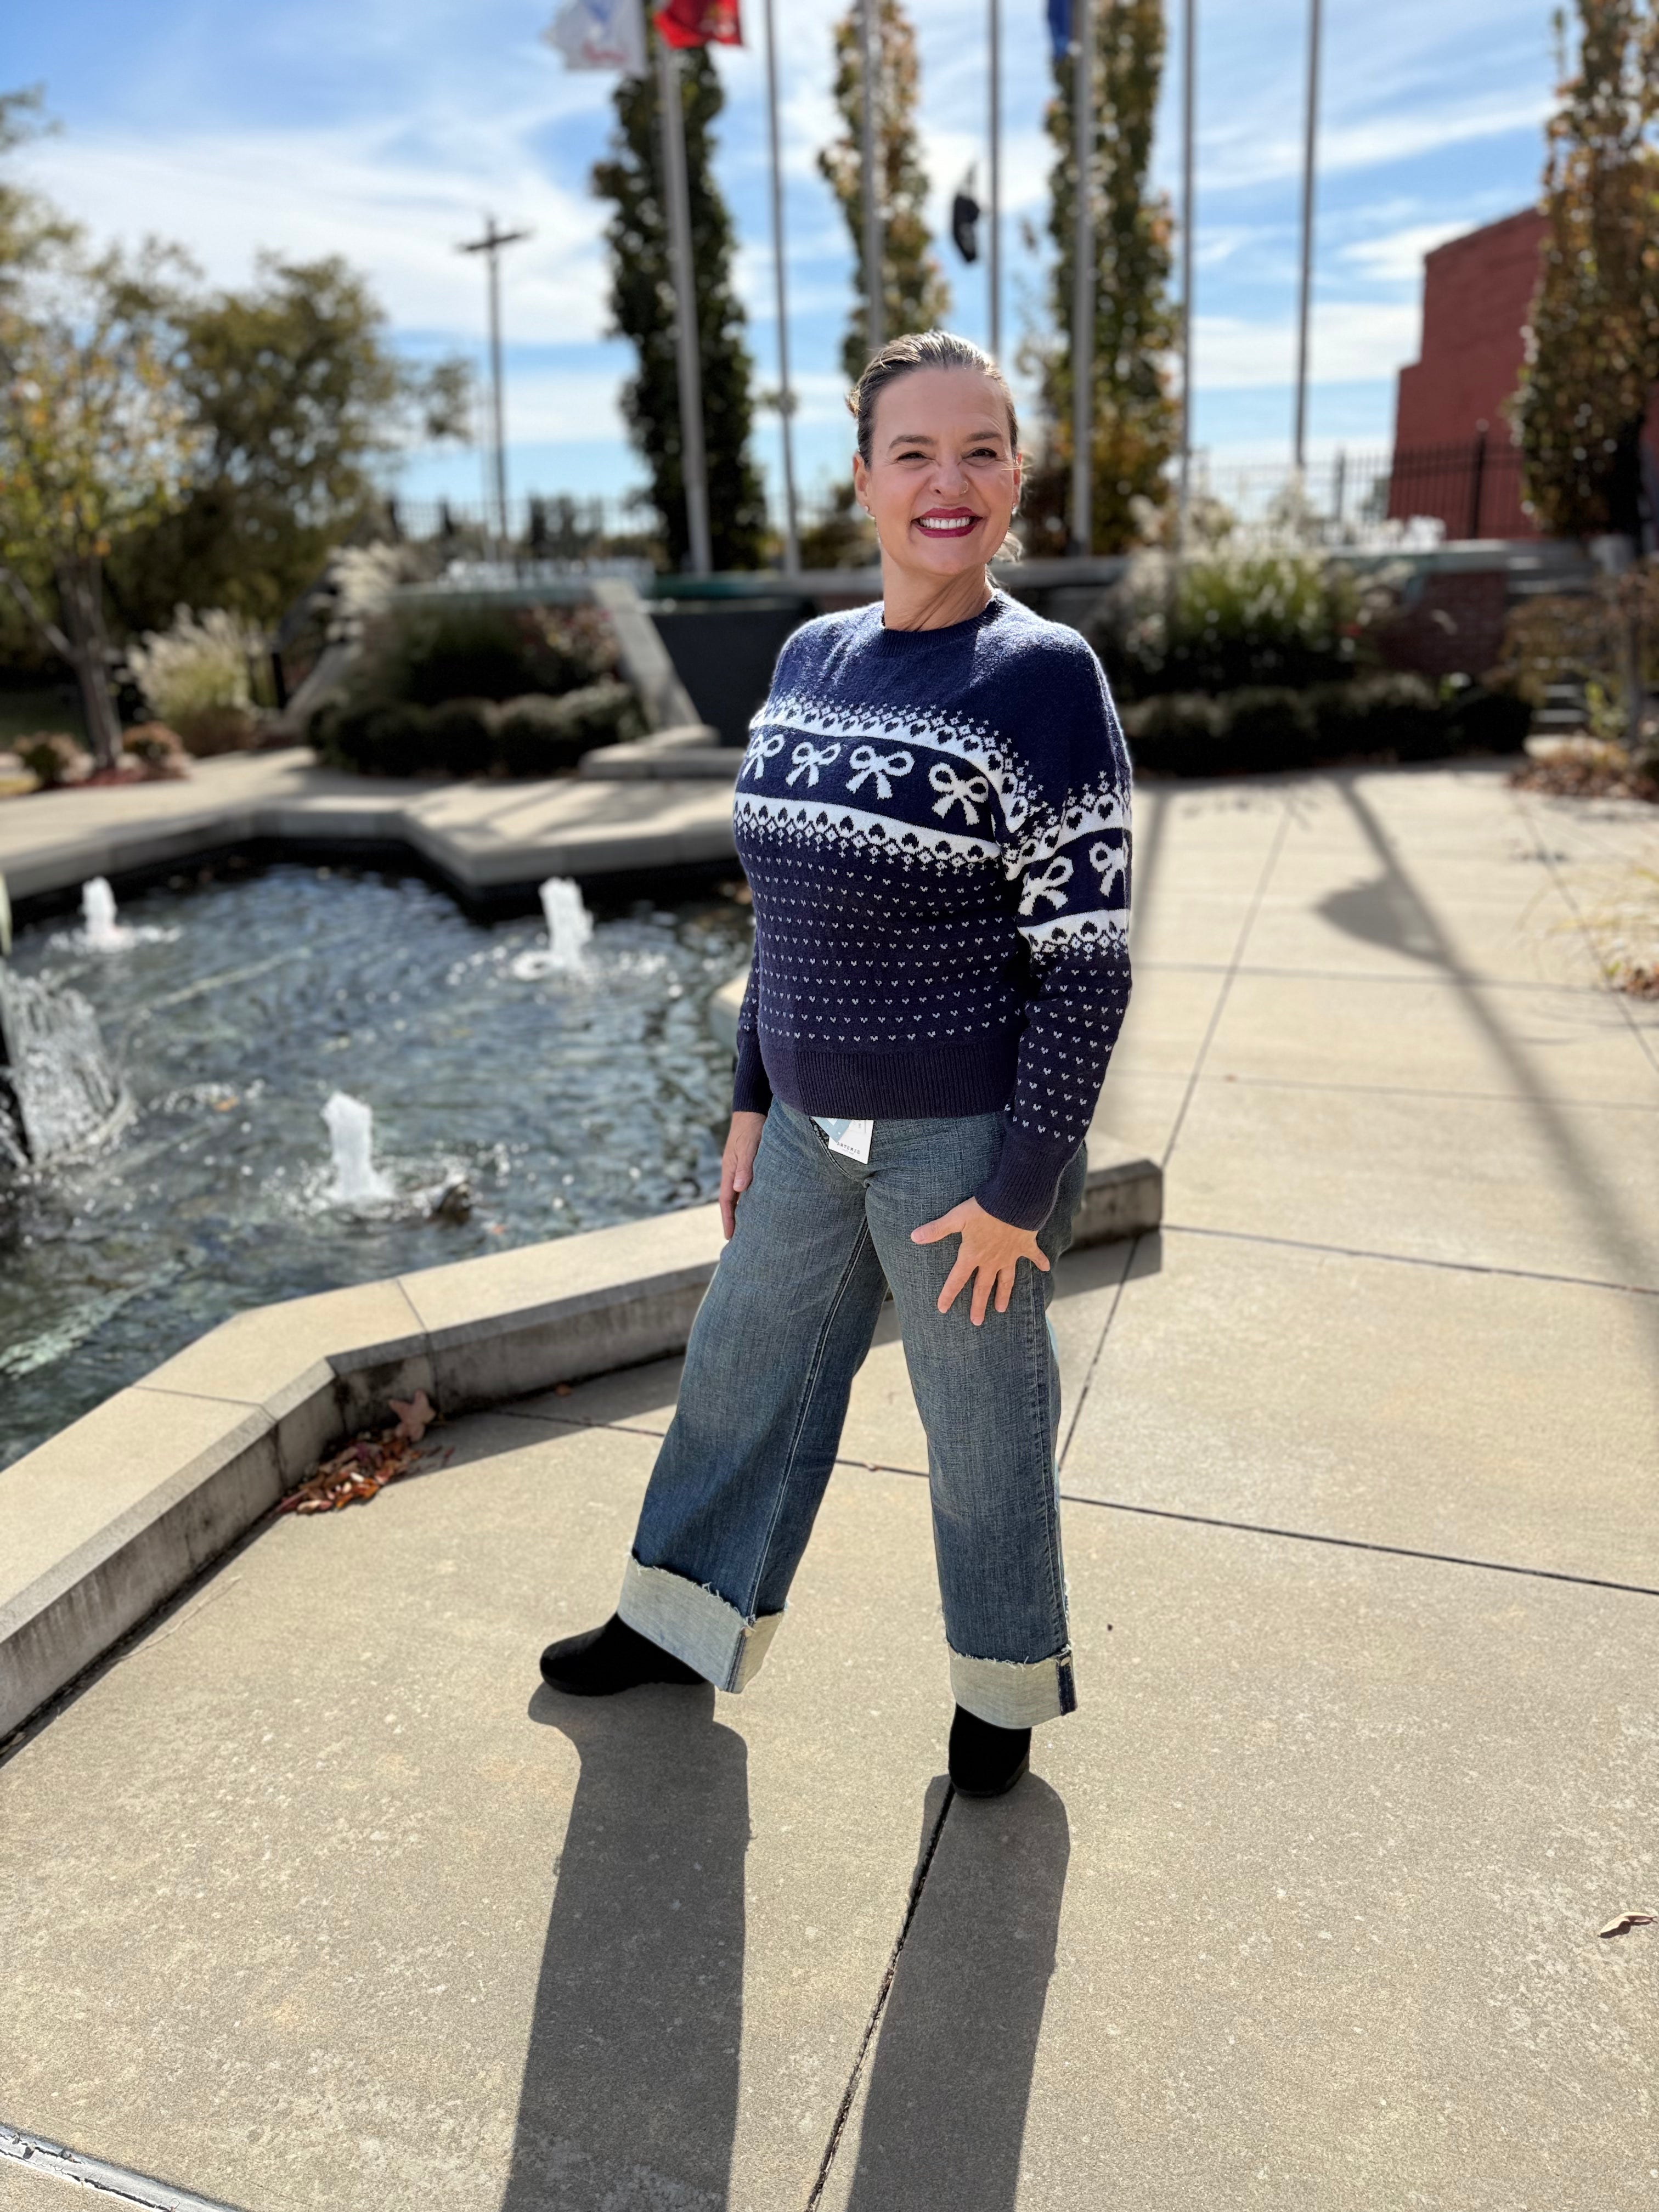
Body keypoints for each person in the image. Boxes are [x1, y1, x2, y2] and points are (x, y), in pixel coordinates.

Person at [540, 330, 1132, 1801]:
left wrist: (1018, 1189)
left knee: (981, 1436)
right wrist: (750, 1096)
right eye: (915, 453)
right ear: (863, 478)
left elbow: (1089, 961)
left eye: (981, 451)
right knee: (739, 1374)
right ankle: (675, 1623)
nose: (950, 481)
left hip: (963, 1151)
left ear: (1016, 481)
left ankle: (1000, 1697)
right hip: (807, 1125)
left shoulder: (1047, 680)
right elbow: (781, 910)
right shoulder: (812, 653)